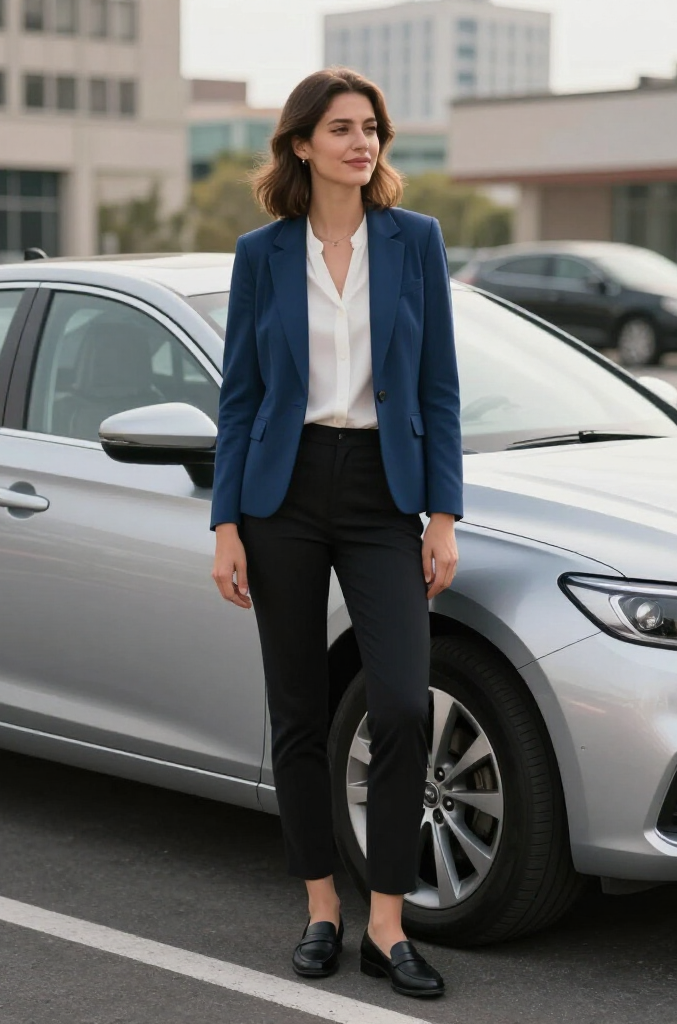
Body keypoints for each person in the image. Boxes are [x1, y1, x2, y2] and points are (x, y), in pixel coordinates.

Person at [209, 67, 462, 1000]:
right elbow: (239, 397)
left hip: (383, 495)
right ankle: (322, 906)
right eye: (344, 129)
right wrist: (226, 521)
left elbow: (439, 387)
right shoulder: (262, 253)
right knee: (299, 711)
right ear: (302, 144)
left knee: (399, 701)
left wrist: (442, 516)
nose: (364, 144)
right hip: (283, 491)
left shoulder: (417, 242)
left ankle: (386, 924)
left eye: (373, 129)